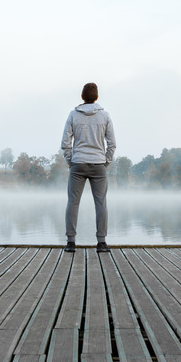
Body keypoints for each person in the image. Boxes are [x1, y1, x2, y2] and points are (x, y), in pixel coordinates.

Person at [60, 82, 116, 253]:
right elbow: (112, 144)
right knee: (101, 204)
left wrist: (71, 161)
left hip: (78, 164)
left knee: (73, 203)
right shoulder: (105, 116)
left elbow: (65, 143)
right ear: (97, 97)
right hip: (98, 165)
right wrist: (105, 162)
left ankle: (70, 242)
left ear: (82, 97)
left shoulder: (73, 115)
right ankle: (101, 243)